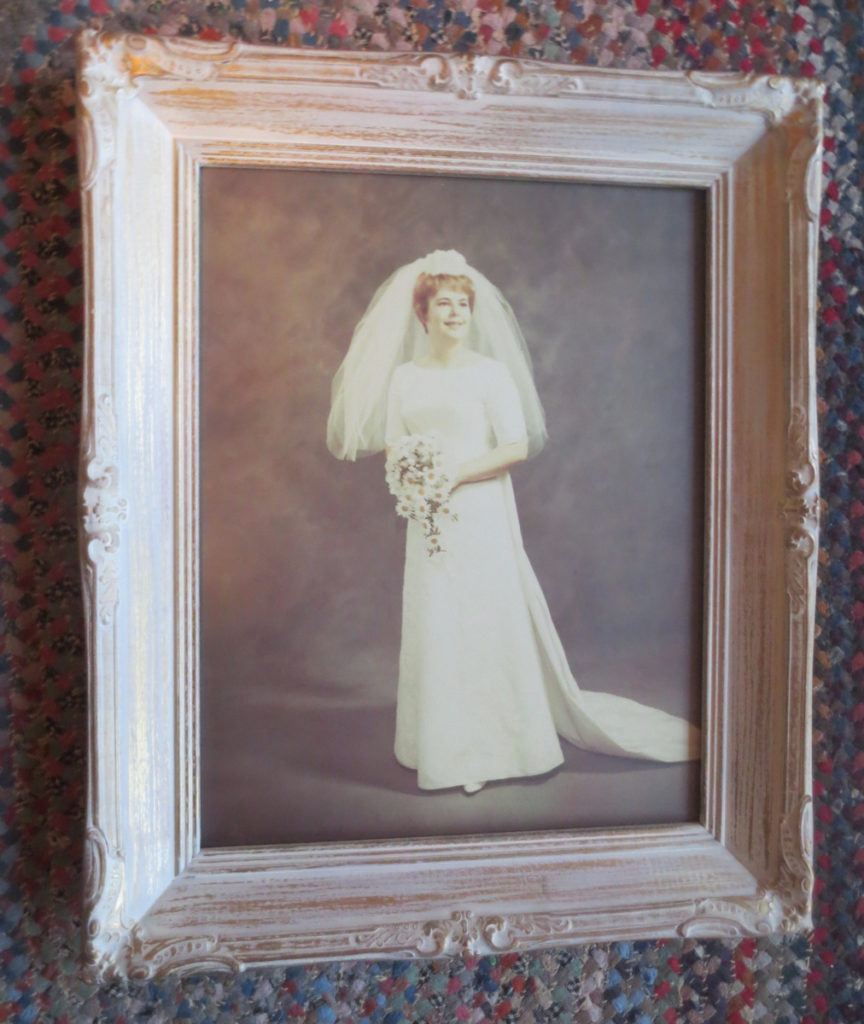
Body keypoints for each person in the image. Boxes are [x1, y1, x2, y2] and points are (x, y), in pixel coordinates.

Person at [328, 250, 699, 794]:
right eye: (444, 304)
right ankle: (441, 744)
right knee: (438, 619)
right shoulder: (405, 378)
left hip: (479, 511)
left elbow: (517, 445)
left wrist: (452, 472)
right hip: (429, 517)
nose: (455, 314)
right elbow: (393, 444)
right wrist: (415, 479)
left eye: (463, 305)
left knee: (485, 615)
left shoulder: (490, 373)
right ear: (422, 313)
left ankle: (500, 742)